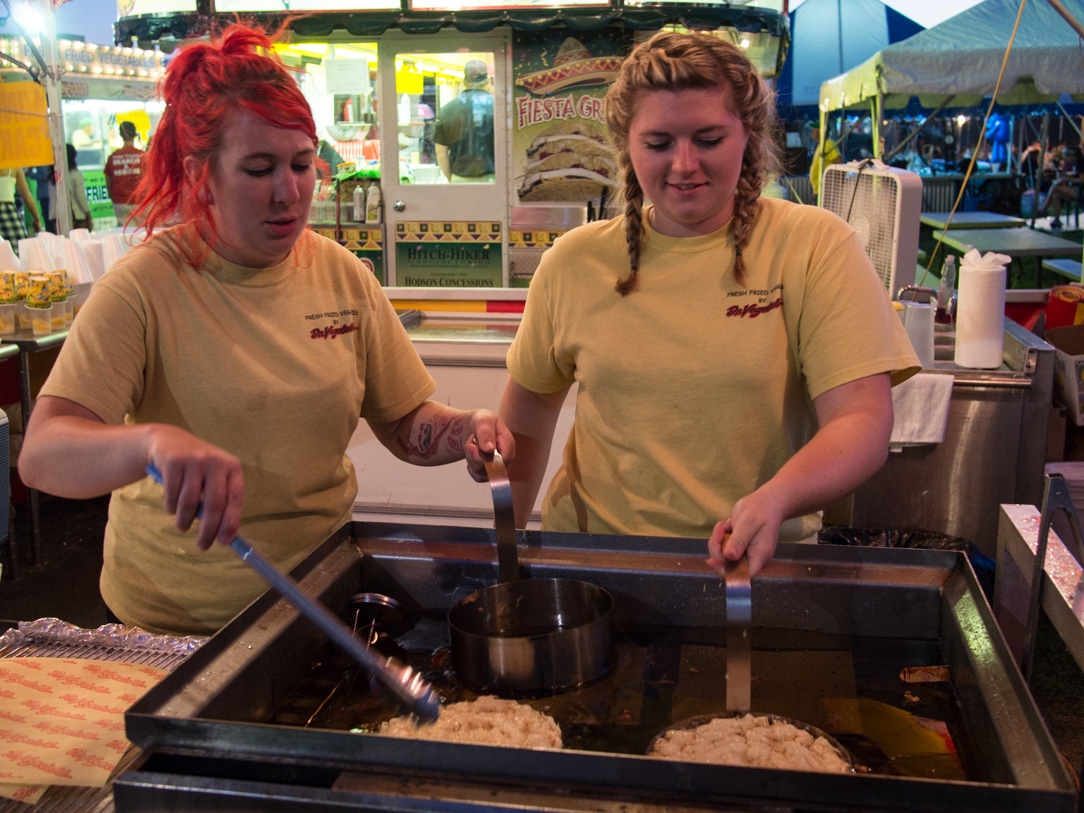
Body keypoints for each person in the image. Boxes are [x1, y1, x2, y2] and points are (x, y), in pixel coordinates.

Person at [18, 23, 514, 637]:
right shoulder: (143, 287)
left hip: (320, 602)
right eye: (258, 168)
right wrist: (148, 445)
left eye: (302, 164)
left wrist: (464, 430)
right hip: (173, 630)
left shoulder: (339, 275)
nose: (289, 192)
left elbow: (404, 421)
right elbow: (42, 455)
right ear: (202, 174)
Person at [498, 31, 919, 578]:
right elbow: (528, 415)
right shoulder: (574, 262)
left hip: (759, 562)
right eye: (659, 143)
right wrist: (505, 552)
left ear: (749, 134)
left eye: (708, 138)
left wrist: (777, 498)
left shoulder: (814, 245)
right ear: (627, 144)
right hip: (595, 565)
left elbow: (861, 419)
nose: (684, 165)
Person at [433, 59, 495, 183]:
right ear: (488, 82)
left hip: (460, 179)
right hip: (494, 180)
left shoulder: (447, 109)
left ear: (464, 82)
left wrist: (451, 178)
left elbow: (441, 151)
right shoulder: (500, 107)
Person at [104, 120, 145, 223]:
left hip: (120, 203)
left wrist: (113, 197)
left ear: (120, 135)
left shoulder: (113, 157)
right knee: (142, 234)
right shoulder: (143, 156)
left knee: (123, 233)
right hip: (140, 202)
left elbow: (108, 183)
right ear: (135, 134)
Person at [48, 144, 92, 232]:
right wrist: (88, 213)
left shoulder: (53, 176)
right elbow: (80, 196)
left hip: (56, 217)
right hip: (76, 216)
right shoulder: (75, 174)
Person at [0, 167, 43, 255]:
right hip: (9, 215)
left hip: (9, 214)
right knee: (19, 253)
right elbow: (26, 196)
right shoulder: (14, 166)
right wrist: (37, 219)